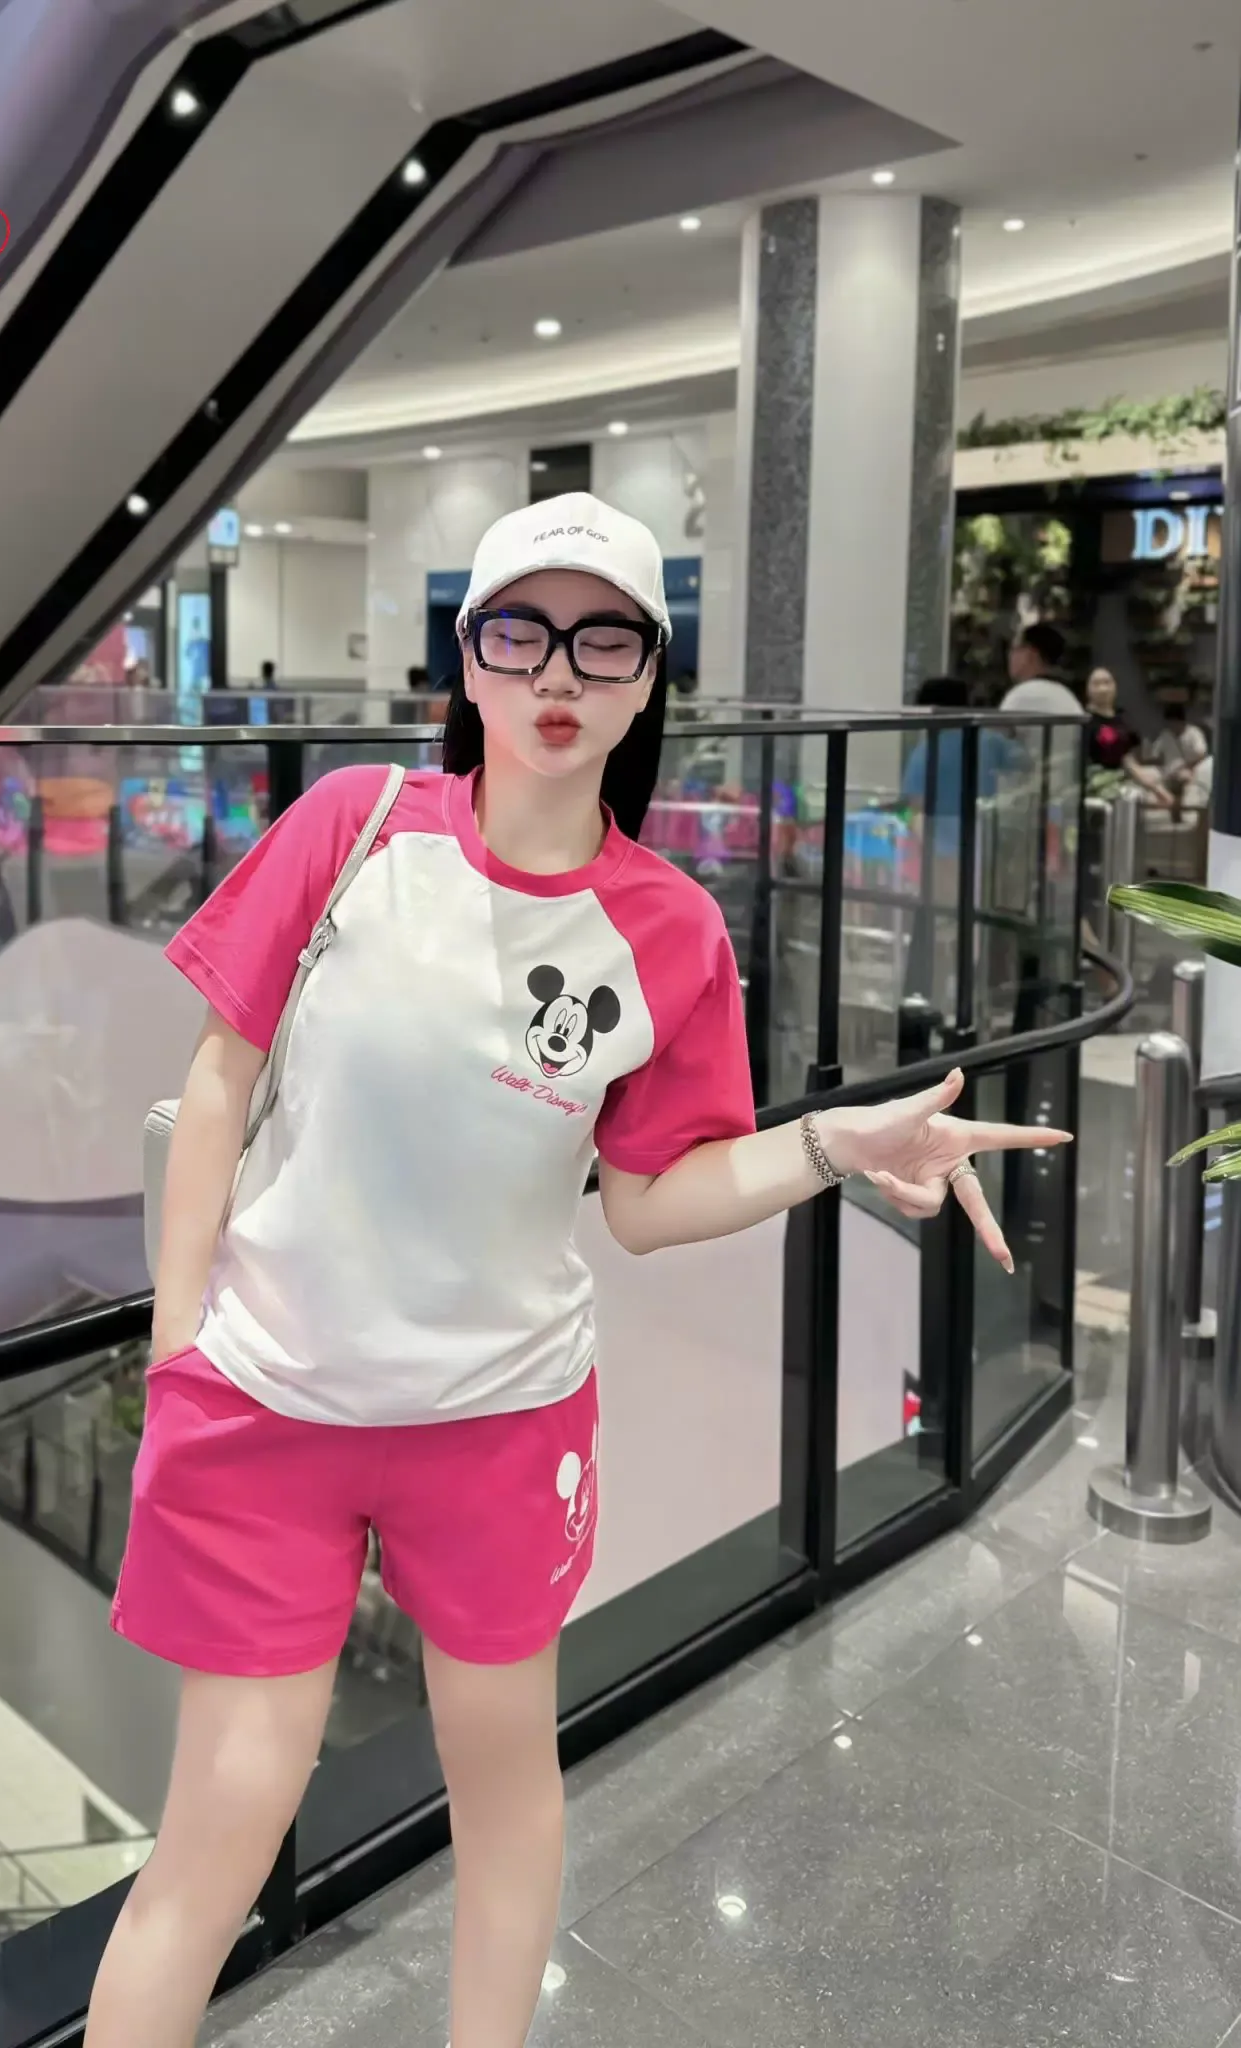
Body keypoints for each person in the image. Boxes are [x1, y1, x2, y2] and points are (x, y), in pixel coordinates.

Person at [91, 492, 1068, 2048]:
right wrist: (174, 1339)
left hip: (499, 1421)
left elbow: (651, 1201)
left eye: (603, 639)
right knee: (213, 1839)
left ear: (646, 679)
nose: (557, 671)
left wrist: (833, 1146)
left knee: (503, 1787)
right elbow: (219, 1081)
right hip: (264, 1400)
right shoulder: (352, 828)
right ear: (466, 663)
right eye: (519, 633)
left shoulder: (668, 929)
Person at [902, 676, 1017, 852]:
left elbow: (915, 806)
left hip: (943, 843)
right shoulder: (990, 740)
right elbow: (1026, 766)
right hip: (985, 836)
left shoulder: (925, 751)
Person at [1000, 622, 1082, 718]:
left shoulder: (1022, 695)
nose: (1010, 656)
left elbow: (996, 727)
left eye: (1014, 649)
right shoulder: (1067, 697)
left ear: (1030, 654)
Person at [1084, 667, 1137, 773]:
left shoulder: (1123, 716)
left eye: (1107, 683)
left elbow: (1131, 751)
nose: (1102, 689)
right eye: (1096, 684)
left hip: (1127, 773)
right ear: (1087, 689)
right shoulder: (1084, 720)